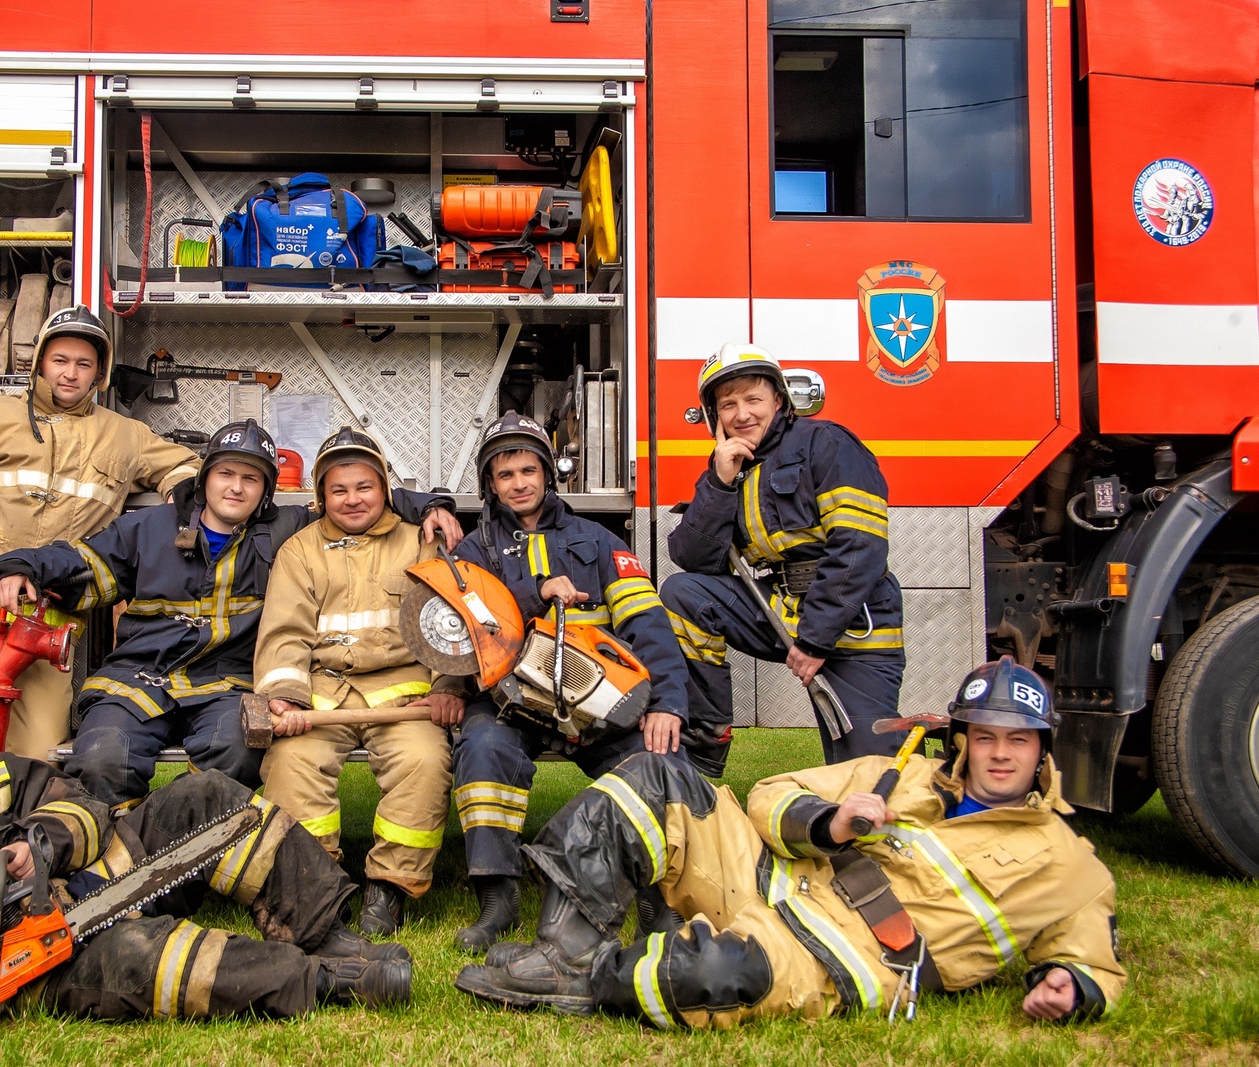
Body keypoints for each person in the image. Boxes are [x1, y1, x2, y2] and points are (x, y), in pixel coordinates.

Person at [456, 658, 1125, 1027]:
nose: (999, 753)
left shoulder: (1070, 862)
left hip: (841, 953)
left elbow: (1093, 955)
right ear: (965, 738)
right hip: (767, 877)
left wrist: (1073, 984)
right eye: (986, 736)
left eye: (1018, 739)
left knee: (707, 978)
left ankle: (598, 979)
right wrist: (832, 819)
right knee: (657, 777)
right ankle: (565, 951)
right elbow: (771, 791)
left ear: (1043, 749)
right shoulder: (905, 774)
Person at [0, 678, 412, 1031]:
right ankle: (328, 982)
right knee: (154, 958)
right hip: (30, 962)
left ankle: (323, 933)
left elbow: (80, 801)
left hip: (102, 878)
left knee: (213, 801)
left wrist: (45, 845)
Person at [0, 419, 460, 805]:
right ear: (204, 478)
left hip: (225, 686)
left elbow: (354, 500)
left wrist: (428, 506)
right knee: (102, 757)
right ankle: (114, 854)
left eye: (251, 478)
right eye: (225, 474)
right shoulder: (149, 528)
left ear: (267, 491)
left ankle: (183, 847)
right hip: (136, 679)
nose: (236, 488)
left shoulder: (288, 532)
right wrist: (22, 564)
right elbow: (83, 562)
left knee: (236, 753)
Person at [443, 412, 694, 953]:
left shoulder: (599, 542)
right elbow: (464, 633)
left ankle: (659, 899)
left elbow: (648, 624)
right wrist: (536, 595)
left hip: (597, 705)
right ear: (490, 482)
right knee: (483, 749)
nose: (519, 483)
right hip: (510, 704)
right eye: (505, 474)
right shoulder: (472, 554)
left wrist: (667, 703)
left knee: (654, 765)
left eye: (528, 470)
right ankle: (497, 898)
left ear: (547, 474)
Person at [0, 305, 200, 761]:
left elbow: (186, 467)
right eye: (60, 360)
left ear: (98, 374)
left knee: (37, 752)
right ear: (41, 362)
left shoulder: (124, 435)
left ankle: (17, 828)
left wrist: (178, 498)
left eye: (84, 365)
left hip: (45, 614)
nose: (70, 374)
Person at [253, 427, 463, 937]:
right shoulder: (299, 551)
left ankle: (389, 889)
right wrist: (282, 698)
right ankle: (314, 883)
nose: (352, 499)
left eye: (364, 486)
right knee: (291, 762)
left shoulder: (420, 542)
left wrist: (446, 688)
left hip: (407, 697)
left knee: (424, 761)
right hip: (322, 696)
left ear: (385, 489)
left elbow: (447, 621)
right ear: (320, 495)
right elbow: (284, 632)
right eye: (338, 489)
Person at [662, 342, 905, 765]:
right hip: (780, 610)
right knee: (683, 594)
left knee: (864, 773)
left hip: (851, 621)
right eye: (728, 405)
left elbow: (858, 545)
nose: (742, 415)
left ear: (779, 399)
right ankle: (705, 738)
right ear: (713, 417)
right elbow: (693, 558)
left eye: (753, 399)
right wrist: (719, 483)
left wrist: (815, 639)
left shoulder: (825, 443)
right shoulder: (730, 468)